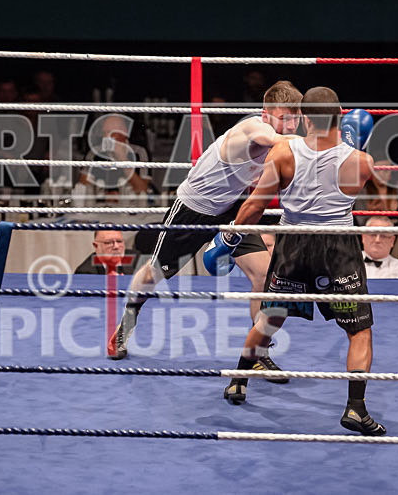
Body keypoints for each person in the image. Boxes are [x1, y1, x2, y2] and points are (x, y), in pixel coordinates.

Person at [107, 80, 303, 384]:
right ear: (266, 114)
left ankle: (258, 354)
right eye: (283, 118)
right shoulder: (253, 129)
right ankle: (126, 324)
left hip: (232, 209)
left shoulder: (287, 139)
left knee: (264, 276)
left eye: (296, 118)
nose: (290, 125)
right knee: (155, 274)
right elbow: (277, 140)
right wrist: (322, 140)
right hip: (193, 209)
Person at [220, 87, 386, 436]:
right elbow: (380, 196)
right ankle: (355, 410)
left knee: (271, 317)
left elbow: (254, 206)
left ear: (305, 118)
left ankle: (238, 380)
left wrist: (229, 237)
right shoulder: (362, 162)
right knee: (359, 331)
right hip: (337, 252)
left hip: (292, 245)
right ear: (340, 117)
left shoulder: (282, 151)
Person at [74, 230, 139, 275]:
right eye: (109, 243)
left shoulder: (137, 258)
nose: (116, 246)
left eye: (119, 241)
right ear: (96, 246)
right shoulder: (85, 273)